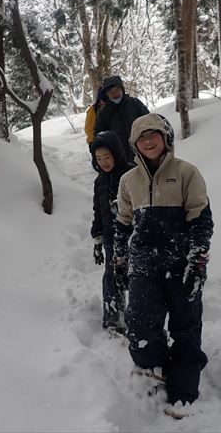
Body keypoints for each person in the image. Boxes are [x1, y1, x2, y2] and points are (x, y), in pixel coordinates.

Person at [113, 113, 213, 419]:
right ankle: (153, 367)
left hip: (181, 263)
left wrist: (197, 260)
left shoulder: (186, 173)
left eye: (153, 134)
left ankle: (183, 389)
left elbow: (200, 217)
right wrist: (120, 259)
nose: (148, 141)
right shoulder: (128, 180)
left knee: (185, 327)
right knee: (140, 322)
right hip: (143, 264)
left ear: (165, 137)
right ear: (135, 144)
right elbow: (123, 223)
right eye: (141, 137)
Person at [90, 130, 135, 334]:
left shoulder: (132, 174)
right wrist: (98, 240)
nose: (104, 162)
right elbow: (98, 212)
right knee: (111, 276)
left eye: (107, 157)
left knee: (134, 277)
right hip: (110, 238)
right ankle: (113, 318)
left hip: (133, 237)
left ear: (116, 153)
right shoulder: (99, 181)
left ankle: (137, 318)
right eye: (99, 158)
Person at [93, 75, 149, 162]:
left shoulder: (135, 104)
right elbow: (99, 136)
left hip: (143, 153)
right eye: (111, 92)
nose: (115, 94)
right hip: (120, 159)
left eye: (117, 90)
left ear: (122, 89)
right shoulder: (104, 113)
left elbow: (150, 123)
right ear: (107, 94)